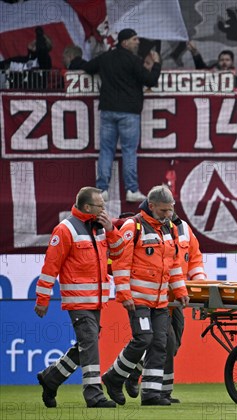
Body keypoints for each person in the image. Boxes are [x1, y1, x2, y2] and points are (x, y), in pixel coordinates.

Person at [34, 187, 123, 408]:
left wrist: (112, 230)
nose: (104, 209)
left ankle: (51, 378)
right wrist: (43, 298)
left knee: (85, 346)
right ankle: (94, 395)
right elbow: (50, 266)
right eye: (100, 206)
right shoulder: (64, 230)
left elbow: (120, 252)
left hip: (97, 300)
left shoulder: (101, 228)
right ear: (86, 207)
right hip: (78, 300)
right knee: (90, 343)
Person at [101, 185, 189, 406]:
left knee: (160, 343)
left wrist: (180, 291)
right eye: (163, 211)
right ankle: (114, 377)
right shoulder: (134, 226)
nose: (168, 215)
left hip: (160, 301)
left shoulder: (170, 228)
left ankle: (150, 394)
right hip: (138, 299)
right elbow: (121, 263)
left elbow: (175, 265)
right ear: (151, 206)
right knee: (144, 339)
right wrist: (124, 294)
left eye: (170, 211)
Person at [123, 213, 207, 403]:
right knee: (164, 343)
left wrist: (200, 283)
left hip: (177, 296)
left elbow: (194, 258)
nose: (168, 211)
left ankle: (137, 371)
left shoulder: (184, 228)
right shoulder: (150, 229)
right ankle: (158, 392)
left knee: (174, 344)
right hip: (157, 295)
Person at [82, 28, 162, 203]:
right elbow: (150, 81)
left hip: (108, 111)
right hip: (129, 113)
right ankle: (132, 190)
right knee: (129, 151)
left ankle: (102, 190)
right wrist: (156, 64)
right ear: (125, 42)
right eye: (134, 39)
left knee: (106, 151)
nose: (138, 42)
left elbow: (87, 67)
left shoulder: (106, 58)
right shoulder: (134, 61)